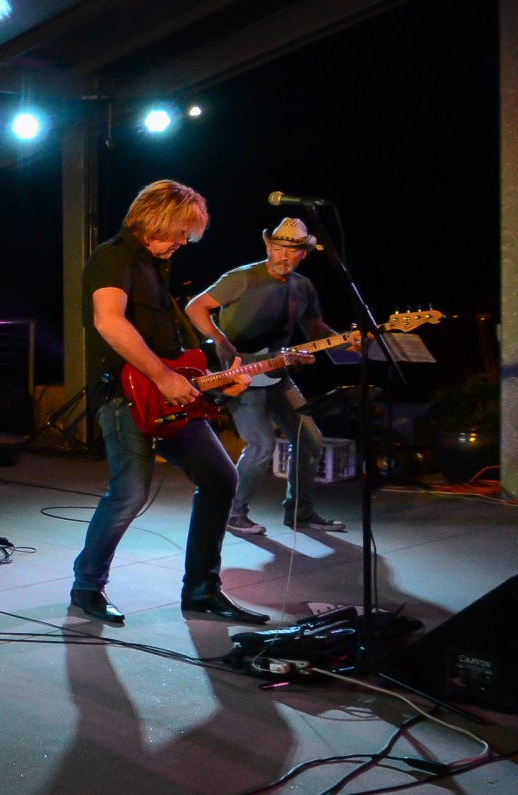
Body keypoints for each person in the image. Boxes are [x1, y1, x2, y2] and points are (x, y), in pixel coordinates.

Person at [72, 179, 268, 626]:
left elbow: (170, 351)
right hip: (125, 395)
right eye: (181, 231)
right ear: (157, 219)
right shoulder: (112, 257)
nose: (184, 241)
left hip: (170, 396)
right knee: (130, 493)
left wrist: (213, 384)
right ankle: (87, 586)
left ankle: (201, 590)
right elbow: (109, 323)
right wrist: (162, 377)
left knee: (221, 478)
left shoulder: (157, 267)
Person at [185, 217, 349, 536]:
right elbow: (195, 307)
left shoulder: (303, 287)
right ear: (268, 247)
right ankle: (233, 512)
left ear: (304, 254)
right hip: (239, 373)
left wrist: (350, 341)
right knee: (261, 444)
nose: (284, 256)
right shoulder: (242, 277)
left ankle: (300, 513)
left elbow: (317, 332)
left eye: (292, 251)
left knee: (310, 438)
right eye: (278, 249)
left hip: (277, 371)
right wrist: (219, 339)